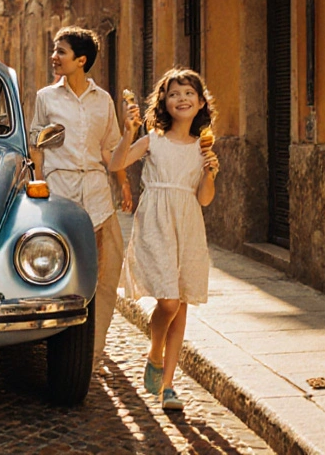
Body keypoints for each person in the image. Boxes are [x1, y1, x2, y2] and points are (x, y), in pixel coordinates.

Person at [109, 68, 219, 412]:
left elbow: (204, 199)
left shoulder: (204, 147)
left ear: (200, 102)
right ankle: (155, 352)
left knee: (181, 302)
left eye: (188, 93)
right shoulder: (154, 139)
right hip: (155, 221)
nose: (181, 98)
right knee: (169, 302)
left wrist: (210, 172)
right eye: (174, 94)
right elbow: (117, 162)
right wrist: (129, 132)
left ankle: (169, 385)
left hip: (187, 223)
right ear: (164, 102)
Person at [29, 26, 134, 373]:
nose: (54, 57)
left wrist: (123, 183)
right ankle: (59, 347)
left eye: (61, 51)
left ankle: (94, 350)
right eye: (54, 50)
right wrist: (39, 183)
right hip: (60, 197)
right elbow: (36, 145)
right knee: (60, 273)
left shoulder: (102, 100)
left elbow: (109, 148)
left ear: (81, 59)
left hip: (98, 196)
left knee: (105, 274)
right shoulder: (46, 97)